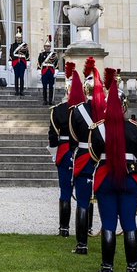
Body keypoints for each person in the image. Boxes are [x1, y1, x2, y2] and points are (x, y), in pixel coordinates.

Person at [89, 69, 137, 272]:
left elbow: (95, 155)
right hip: (129, 177)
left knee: (109, 223)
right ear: (124, 106)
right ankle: (132, 266)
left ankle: (107, 266)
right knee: (129, 222)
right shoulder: (135, 128)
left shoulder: (97, 129)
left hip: (106, 178)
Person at [68, 57, 102, 254]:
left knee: (82, 201)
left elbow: (72, 137)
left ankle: (81, 245)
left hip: (82, 155)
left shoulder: (76, 111)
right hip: (101, 159)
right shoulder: (104, 110)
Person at [49, 62, 82, 237]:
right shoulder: (84, 110)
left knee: (65, 191)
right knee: (85, 194)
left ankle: (64, 228)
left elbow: (52, 137)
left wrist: (55, 152)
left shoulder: (58, 110)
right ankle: (86, 228)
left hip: (64, 150)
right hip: (82, 152)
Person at [38, 38, 59, 105]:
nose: (48, 48)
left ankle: (50, 100)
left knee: (51, 87)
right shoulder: (41, 54)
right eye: (46, 46)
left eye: (49, 46)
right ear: (44, 47)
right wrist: (39, 71)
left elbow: (56, 64)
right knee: (44, 86)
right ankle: (45, 100)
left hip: (51, 71)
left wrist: (56, 71)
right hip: (44, 71)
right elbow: (39, 63)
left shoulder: (54, 55)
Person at [9, 27, 29, 96]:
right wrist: (10, 62)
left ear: (21, 38)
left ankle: (21, 91)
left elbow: (27, 54)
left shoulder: (25, 45)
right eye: (17, 38)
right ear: (15, 38)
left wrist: (28, 62)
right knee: (16, 76)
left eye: (19, 38)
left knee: (21, 77)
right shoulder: (13, 45)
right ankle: (16, 90)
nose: (18, 39)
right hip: (15, 62)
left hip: (22, 62)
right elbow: (11, 54)